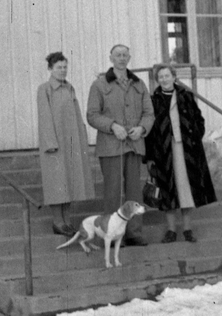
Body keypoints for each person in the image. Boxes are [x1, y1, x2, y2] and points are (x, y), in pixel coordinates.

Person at [86, 44, 153, 246]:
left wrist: (142, 128)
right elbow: (92, 115)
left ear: (129, 58)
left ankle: (134, 232)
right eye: (118, 55)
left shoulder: (139, 84)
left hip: (134, 145)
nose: (122, 58)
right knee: (113, 192)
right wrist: (112, 126)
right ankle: (112, 234)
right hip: (110, 146)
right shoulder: (99, 85)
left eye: (125, 55)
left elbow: (149, 113)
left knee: (134, 192)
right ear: (111, 58)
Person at [146, 64, 217, 243]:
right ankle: (171, 230)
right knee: (168, 190)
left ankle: (187, 229)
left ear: (174, 77)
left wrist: (194, 137)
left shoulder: (185, 96)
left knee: (186, 189)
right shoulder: (153, 100)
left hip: (187, 151)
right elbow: (150, 130)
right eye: (160, 77)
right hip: (164, 152)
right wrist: (150, 157)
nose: (164, 79)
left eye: (167, 76)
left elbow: (199, 119)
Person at [37, 51, 92, 237]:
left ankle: (68, 220)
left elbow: (76, 115)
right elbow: (44, 118)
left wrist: (81, 139)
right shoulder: (45, 89)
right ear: (50, 69)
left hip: (71, 144)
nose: (62, 70)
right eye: (58, 67)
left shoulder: (69, 88)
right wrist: (50, 142)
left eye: (65, 67)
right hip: (54, 146)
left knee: (70, 182)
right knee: (57, 184)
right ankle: (57, 221)